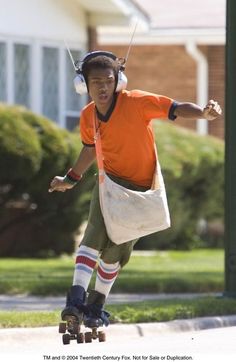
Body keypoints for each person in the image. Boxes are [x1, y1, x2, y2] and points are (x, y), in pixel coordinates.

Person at [48, 51, 222, 328]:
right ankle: (76, 300)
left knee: (117, 250)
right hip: (109, 185)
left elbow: (174, 107)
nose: (103, 87)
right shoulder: (88, 116)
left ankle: (95, 306)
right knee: (93, 236)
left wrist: (203, 112)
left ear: (119, 81)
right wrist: (71, 178)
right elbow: (89, 148)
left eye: (108, 81)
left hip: (141, 192)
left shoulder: (137, 102)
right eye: (95, 82)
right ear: (84, 85)